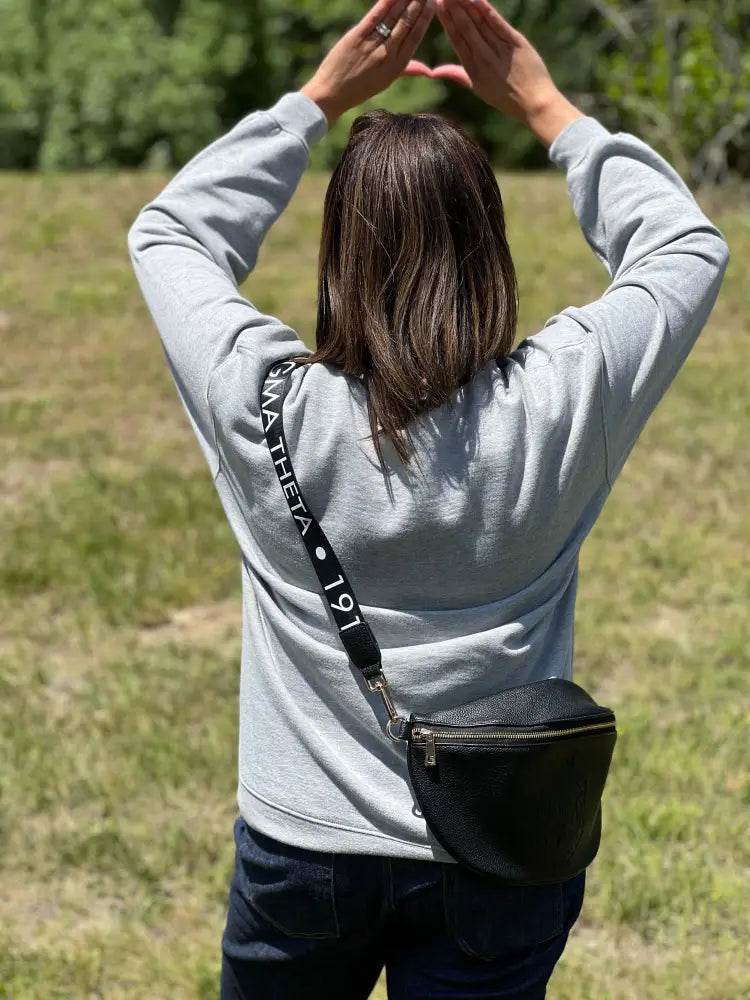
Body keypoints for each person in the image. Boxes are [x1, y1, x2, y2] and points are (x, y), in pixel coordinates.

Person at [127, 0, 730, 996]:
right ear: (488, 247)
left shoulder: (267, 404)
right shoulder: (557, 401)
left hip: (300, 840)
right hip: (497, 842)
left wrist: (314, 102)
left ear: (341, 259)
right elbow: (684, 249)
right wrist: (544, 105)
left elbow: (172, 232)